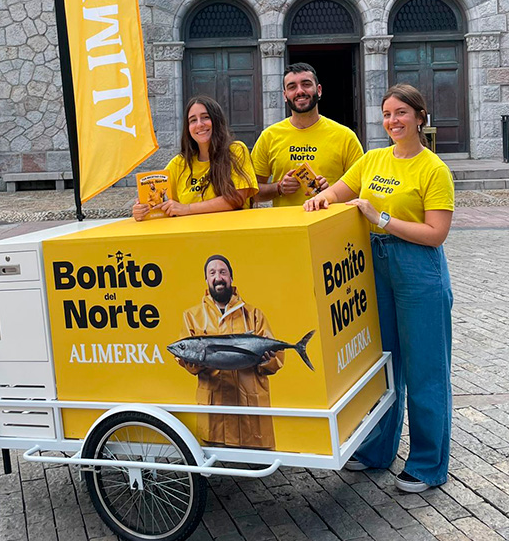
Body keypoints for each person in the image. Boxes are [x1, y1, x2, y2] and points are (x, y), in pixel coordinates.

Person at [304, 83, 455, 493]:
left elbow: (436, 233)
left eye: (401, 113)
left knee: (425, 368)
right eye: (387, 114)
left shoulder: (433, 169)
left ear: (419, 117)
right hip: (375, 265)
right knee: (383, 363)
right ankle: (377, 449)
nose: (393, 121)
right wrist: (321, 199)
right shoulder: (372, 159)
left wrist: (381, 218)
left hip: (418, 268)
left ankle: (427, 463)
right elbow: (340, 191)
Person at [176, 255, 284, 449]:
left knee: (258, 464)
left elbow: (277, 360)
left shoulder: (254, 315)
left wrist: (267, 360)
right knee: (217, 463)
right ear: (206, 280)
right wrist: (192, 363)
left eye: (223, 272)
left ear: (231, 278)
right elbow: (188, 363)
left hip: (250, 414)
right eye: (212, 273)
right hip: (216, 417)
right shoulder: (192, 316)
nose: (218, 277)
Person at [251, 63, 364, 208]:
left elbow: (362, 188)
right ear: (285, 95)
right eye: (292, 87)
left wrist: (331, 192)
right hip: (286, 222)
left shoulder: (345, 136)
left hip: (331, 221)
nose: (300, 91)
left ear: (319, 90)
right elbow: (251, 192)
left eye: (306, 84)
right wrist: (278, 188)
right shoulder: (269, 136)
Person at [133, 96, 258, 220]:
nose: (199, 124)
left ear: (217, 120)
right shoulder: (178, 163)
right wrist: (142, 211)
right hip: (191, 233)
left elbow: (237, 198)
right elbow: (161, 206)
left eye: (205, 117)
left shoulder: (236, 151)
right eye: (193, 120)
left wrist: (186, 209)